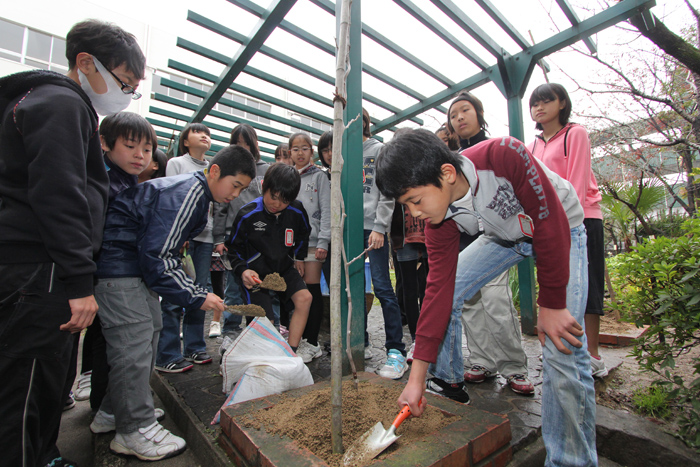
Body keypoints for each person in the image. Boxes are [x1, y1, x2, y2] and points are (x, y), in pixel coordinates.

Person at [376, 130, 597, 467]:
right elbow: (438, 291)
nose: (413, 213)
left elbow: (547, 219)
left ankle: (571, 461)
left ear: (447, 174)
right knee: (448, 290)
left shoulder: (503, 155)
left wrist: (551, 304)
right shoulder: (440, 221)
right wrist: (415, 380)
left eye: (415, 201)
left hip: (561, 225)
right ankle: (443, 378)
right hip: (506, 237)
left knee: (562, 346)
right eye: (405, 205)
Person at [0, 19, 145, 467]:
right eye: (124, 82)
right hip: (37, 270)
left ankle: (43, 453)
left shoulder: (42, 101)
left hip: (36, 267)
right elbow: (58, 196)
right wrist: (80, 282)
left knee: (43, 379)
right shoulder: (62, 104)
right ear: (85, 62)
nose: (124, 93)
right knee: (26, 383)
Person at [90, 145, 254, 461]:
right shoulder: (189, 192)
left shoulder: (197, 193)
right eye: (235, 185)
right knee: (134, 341)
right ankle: (133, 429)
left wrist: (192, 288)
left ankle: (114, 411)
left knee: (147, 333)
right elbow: (159, 256)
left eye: (242, 189)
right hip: (119, 268)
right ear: (215, 172)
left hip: (130, 268)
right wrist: (196, 295)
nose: (236, 193)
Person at [430, 92, 534, 399]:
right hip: (465, 239)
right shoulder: (448, 160)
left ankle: (514, 366)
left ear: (479, 112)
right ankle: (482, 361)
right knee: (468, 304)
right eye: (453, 115)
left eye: (465, 110)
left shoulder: (495, 149)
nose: (459, 117)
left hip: (498, 238)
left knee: (497, 302)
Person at [77, 112, 157, 413]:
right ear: (104, 144)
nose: (140, 155)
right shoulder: (101, 183)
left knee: (112, 344)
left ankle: (108, 410)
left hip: (110, 276)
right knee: (117, 347)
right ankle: (114, 412)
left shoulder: (125, 183)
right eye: (131, 146)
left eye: (147, 150)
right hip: (105, 276)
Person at [528, 83, 607, 378]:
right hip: (549, 223)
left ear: (562, 103)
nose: (539, 107)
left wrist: (559, 216)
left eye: (547, 101)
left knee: (588, 286)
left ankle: (593, 354)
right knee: (556, 285)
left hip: (582, 218)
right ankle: (561, 349)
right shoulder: (533, 145)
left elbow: (576, 180)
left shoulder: (576, 133)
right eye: (535, 103)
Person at [226, 163, 312, 353]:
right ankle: (258, 358)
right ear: (264, 186)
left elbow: (303, 234)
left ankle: (290, 353)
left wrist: (299, 257)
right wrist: (242, 270)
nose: (277, 204)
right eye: (273, 197)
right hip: (255, 274)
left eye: (284, 201)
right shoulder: (247, 214)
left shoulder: (297, 211)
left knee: (305, 298)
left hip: (284, 267)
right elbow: (233, 248)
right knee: (265, 319)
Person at [155, 123, 215, 373]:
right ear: (185, 140)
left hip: (206, 237)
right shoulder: (177, 164)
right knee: (174, 293)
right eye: (197, 132)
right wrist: (179, 234)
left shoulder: (212, 168)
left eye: (208, 133)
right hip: (181, 238)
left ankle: (194, 347)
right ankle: (167, 353)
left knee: (199, 291)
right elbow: (169, 198)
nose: (205, 135)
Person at [361, 108, 407, 379]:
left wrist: (380, 227)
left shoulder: (378, 150)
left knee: (382, 287)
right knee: (350, 288)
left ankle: (396, 350)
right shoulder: (340, 152)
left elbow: (387, 192)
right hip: (348, 229)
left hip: (372, 227)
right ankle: (359, 340)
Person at [213, 124, 270, 336]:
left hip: (260, 237)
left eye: (247, 143)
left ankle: (260, 330)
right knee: (234, 288)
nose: (243, 148)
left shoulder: (265, 169)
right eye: (238, 144)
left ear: (255, 144)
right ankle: (230, 331)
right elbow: (220, 206)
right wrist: (219, 238)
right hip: (233, 236)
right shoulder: (227, 170)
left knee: (261, 285)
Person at [289, 132, 331, 363]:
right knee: (297, 292)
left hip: (314, 243)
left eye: (304, 148)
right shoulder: (288, 176)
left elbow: (326, 210)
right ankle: (299, 337)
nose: (300, 153)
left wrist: (323, 241)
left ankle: (313, 342)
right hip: (292, 245)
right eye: (295, 149)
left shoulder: (319, 177)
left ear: (312, 152)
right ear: (289, 153)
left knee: (312, 291)